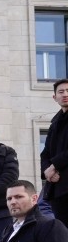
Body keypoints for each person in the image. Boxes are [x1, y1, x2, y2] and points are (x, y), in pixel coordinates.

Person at [40, 78, 68, 226]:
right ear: (54, 97)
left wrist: (54, 165)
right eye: (61, 91)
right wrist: (47, 171)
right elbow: (45, 153)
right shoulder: (54, 123)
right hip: (58, 189)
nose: (65, 94)